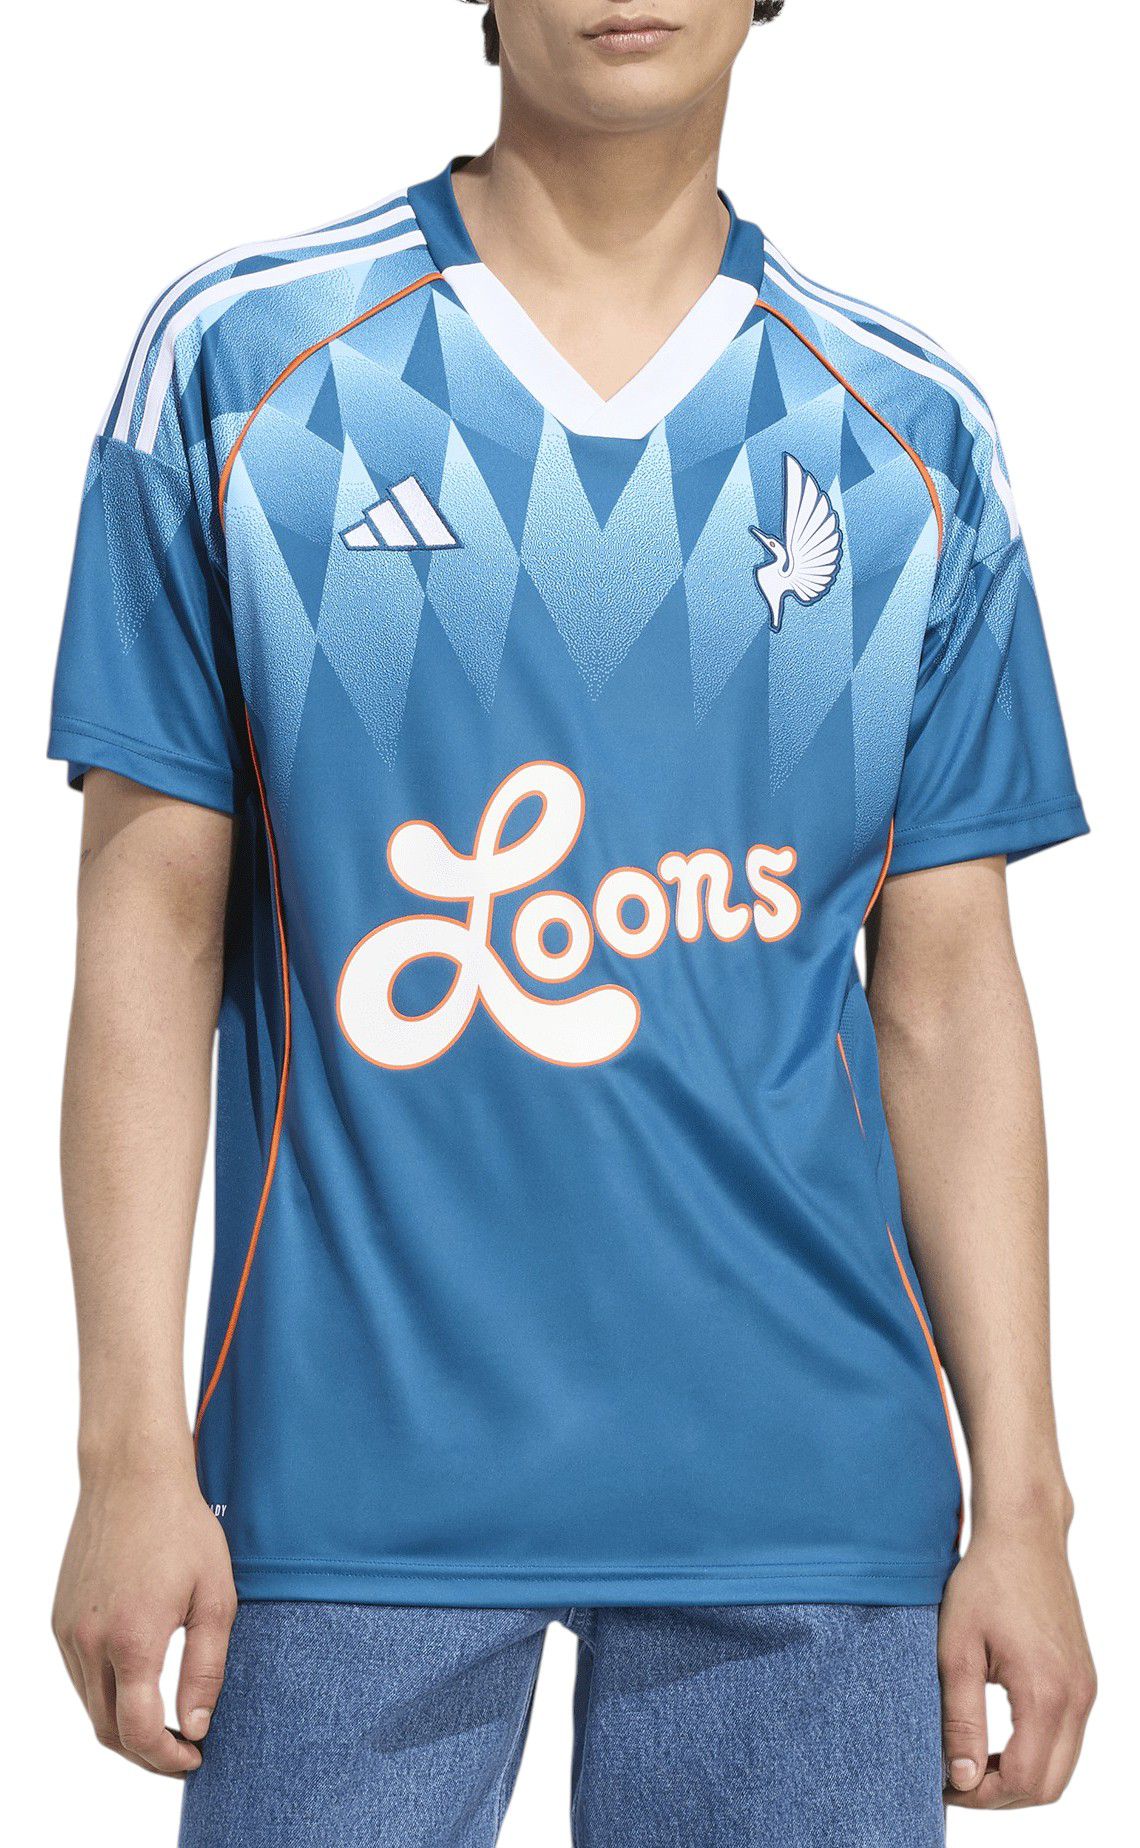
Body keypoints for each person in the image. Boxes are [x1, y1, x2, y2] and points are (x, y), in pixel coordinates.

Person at [48, 1, 1097, 1841]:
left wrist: (1026, 1502)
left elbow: (945, 997)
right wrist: (129, 1449)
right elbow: (148, 933)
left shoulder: (908, 433)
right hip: (340, 1489)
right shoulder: (243, 361)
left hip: (809, 1499)